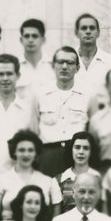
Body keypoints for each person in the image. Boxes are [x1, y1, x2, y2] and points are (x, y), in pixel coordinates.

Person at [0, 129, 63, 221]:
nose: (26, 154)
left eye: (30, 150)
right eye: (21, 150)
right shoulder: (1, 180)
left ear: (36, 153)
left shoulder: (48, 181)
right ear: (14, 152)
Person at [34, 47, 91, 177]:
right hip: (48, 156)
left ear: (77, 68)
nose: (64, 67)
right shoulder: (40, 94)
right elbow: (33, 128)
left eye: (70, 63)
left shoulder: (88, 95)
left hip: (77, 156)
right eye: (60, 62)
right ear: (53, 66)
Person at [72, 13, 111, 103]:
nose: (88, 31)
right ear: (76, 32)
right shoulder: (67, 62)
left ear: (98, 33)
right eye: (84, 28)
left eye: (92, 28)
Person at [58, 131, 99, 212]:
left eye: (86, 148)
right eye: (77, 147)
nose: (81, 152)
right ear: (71, 150)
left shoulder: (98, 178)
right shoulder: (59, 180)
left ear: (91, 152)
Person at [15, 18, 56, 101]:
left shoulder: (54, 66)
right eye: (27, 36)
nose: (30, 40)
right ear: (21, 40)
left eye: (35, 36)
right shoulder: (14, 67)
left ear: (43, 40)